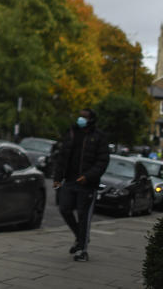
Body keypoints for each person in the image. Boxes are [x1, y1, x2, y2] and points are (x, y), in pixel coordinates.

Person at [52, 107, 109, 262]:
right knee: (64, 209)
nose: (80, 119)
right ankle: (80, 237)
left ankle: (82, 250)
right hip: (69, 181)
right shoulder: (72, 133)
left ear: (91, 119)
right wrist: (57, 177)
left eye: (84, 117)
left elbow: (102, 162)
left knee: (84, 216)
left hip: (87, 184)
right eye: (80, 116)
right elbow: (62, 156)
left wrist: (88, 176)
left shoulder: (99, 137)